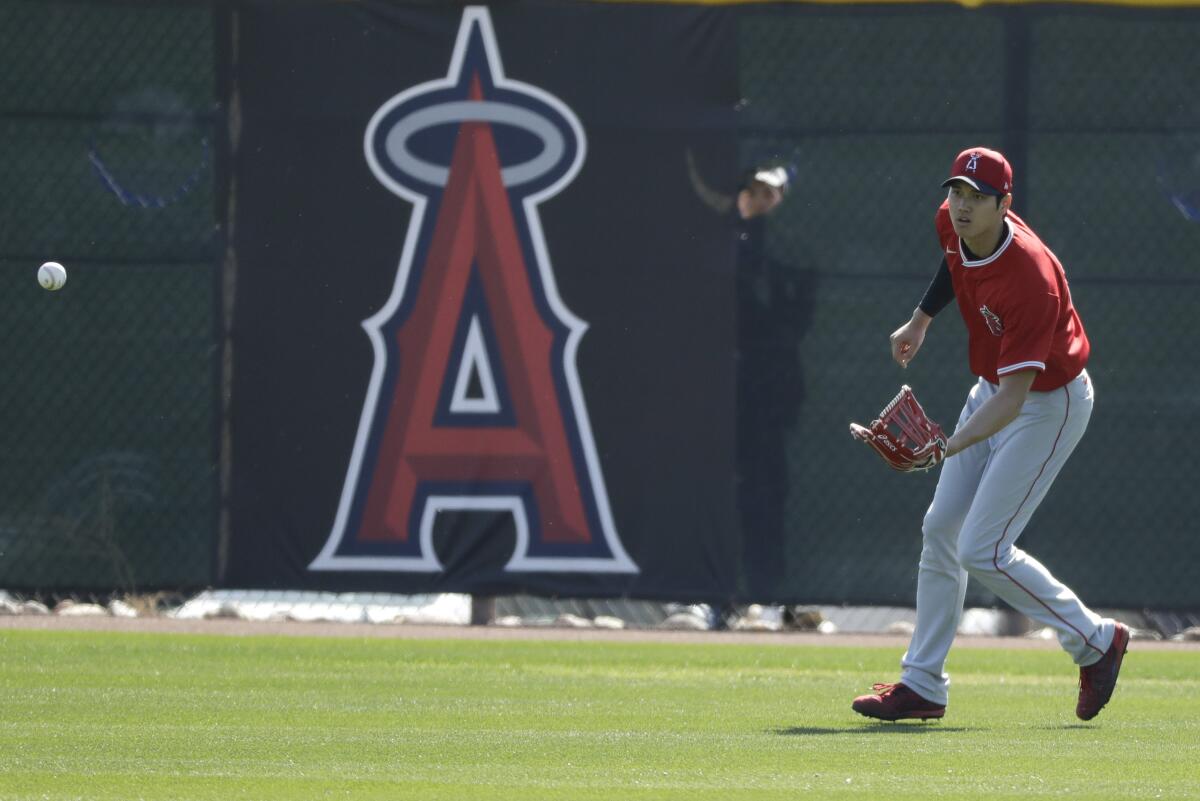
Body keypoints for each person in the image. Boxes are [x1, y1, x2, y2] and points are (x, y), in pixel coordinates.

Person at [851, 147, 1129, 722]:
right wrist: (921, 320)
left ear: (1005, 204)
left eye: (977, 197)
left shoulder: (1032, 277)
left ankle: (1096, 640)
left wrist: (944, 447)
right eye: (956, 191)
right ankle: (922, 684)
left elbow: (1015, 399)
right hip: (994, 390)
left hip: (1048, 404)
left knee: (983, 547)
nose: (961, 206)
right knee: (941, 529)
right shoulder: (950, 222)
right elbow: (954, 265)